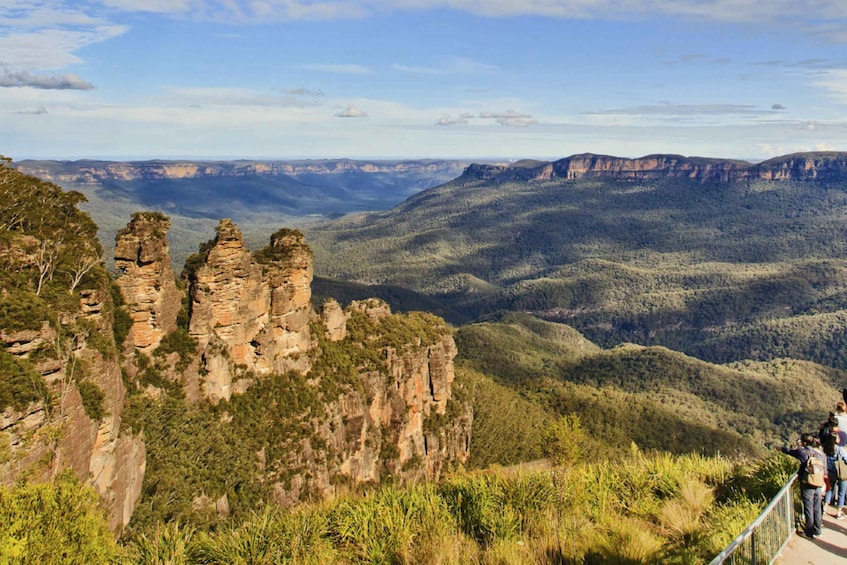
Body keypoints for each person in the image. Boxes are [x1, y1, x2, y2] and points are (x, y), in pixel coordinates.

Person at [782, 433, 826, 538]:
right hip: (818, 483)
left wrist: (780, 449)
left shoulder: (802, 451)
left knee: (808, 508)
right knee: (817, 507)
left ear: (804, 443)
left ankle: (809, 532)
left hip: (807, 483)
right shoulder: (819, 454)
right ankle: (817, 530)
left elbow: (789, 451)